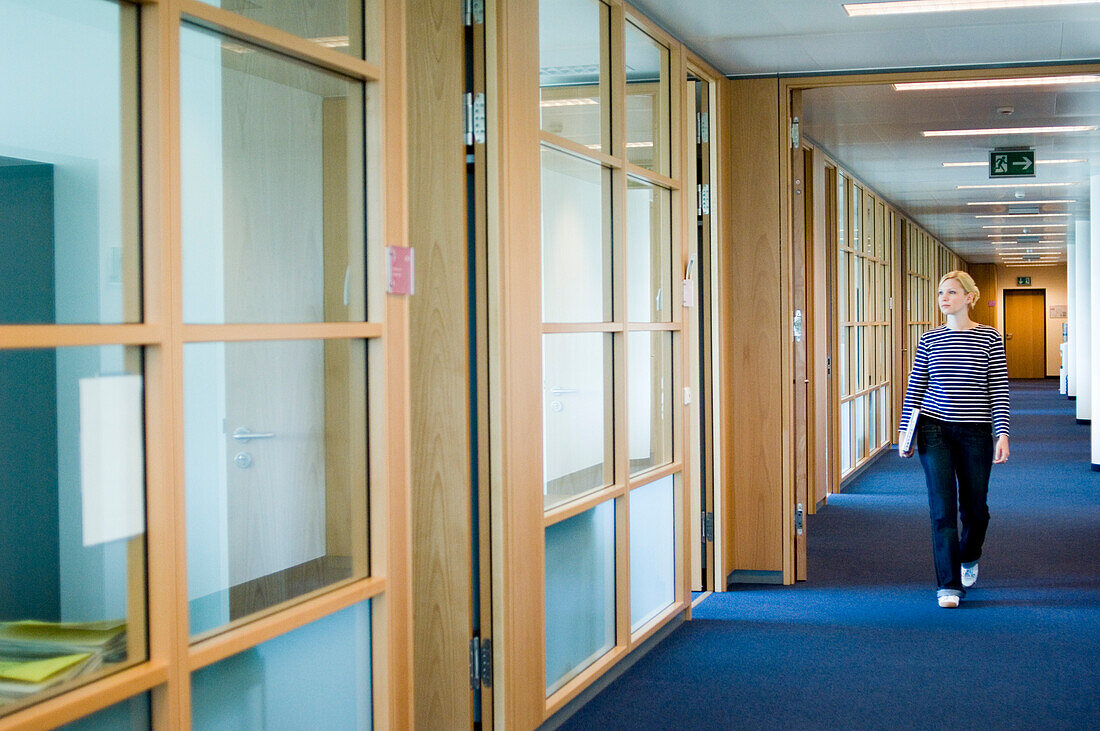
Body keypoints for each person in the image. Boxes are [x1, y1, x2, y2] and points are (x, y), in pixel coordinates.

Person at [899, 271, 1010, 608]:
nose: (944, 298)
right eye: (940, 293)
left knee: (976, 511)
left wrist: (1002, 432)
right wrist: (906, 432)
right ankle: (948, 585)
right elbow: (916, 386)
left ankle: (970, 554)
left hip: (975, 432)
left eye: (951, 292)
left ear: (969, 297)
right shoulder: (929, 339)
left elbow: (999, 389)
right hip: (935, 431)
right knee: (942, 509)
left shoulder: (990, 338)